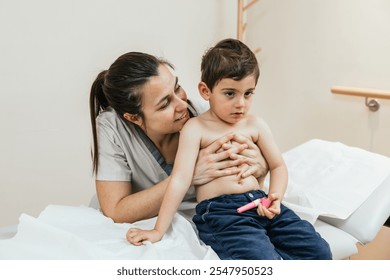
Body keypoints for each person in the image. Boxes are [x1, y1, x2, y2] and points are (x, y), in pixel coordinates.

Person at [126, 38, 332, 260]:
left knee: (319, 251)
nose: (241, 104)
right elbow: (179, 180)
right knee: (262, 260)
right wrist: (158, 230)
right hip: (223, 213)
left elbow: (278, 165)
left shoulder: (256, 124)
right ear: (206, 91)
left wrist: (275, 198)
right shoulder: (196, 128)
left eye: (248, 93)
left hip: (260, 202)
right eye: (230, 93)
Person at [89, 51, 268, 224]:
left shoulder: (204, 116)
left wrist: (260, 164)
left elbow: (254, 165)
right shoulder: (112, 127)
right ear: (133, 118)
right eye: (165, 103)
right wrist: (188, 175)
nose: (182, 105)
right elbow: (115, 211)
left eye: (177, 88)